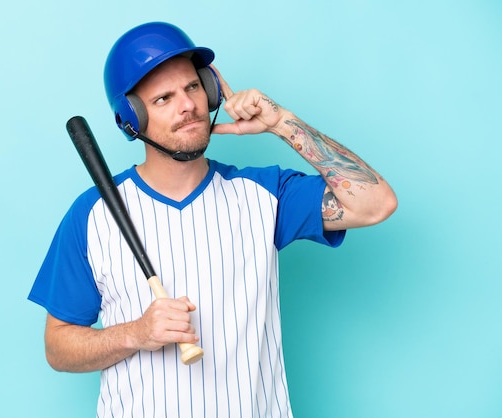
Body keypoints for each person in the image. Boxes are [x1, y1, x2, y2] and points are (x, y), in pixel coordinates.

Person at [28, 21, 397, 418]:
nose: (187, 105)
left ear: (209, 88)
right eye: (163, 98)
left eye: (191, 87)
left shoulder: (264, 193)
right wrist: (137, 333)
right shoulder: (92, 214)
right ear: (132, 120)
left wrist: (281, 123)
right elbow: (58, 348)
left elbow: (375, 203)